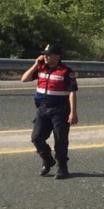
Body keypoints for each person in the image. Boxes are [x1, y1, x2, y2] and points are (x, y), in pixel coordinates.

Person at [20, 43, 78, 179]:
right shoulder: (41, 68)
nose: (45, 57)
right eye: (44, 55)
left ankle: (62, 168)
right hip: (43, 109)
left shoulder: (66, 71)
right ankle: (47, 160)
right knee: (36, 138)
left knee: (60, 140)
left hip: (60, 110)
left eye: (49, 55)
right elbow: (24, 79)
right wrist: (35, 64)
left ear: (58, 56)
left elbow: (72, 92)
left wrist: (73, 112)